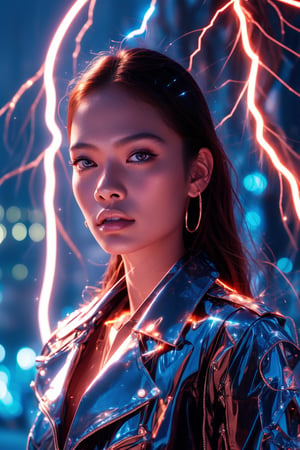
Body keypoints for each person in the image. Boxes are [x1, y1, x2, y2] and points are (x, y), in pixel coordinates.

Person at [27, 48, 300, 450]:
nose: (106, 187)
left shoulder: (244, 346)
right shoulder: (64, 343)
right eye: (85, 162)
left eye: (139, 155)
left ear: (197, 173)